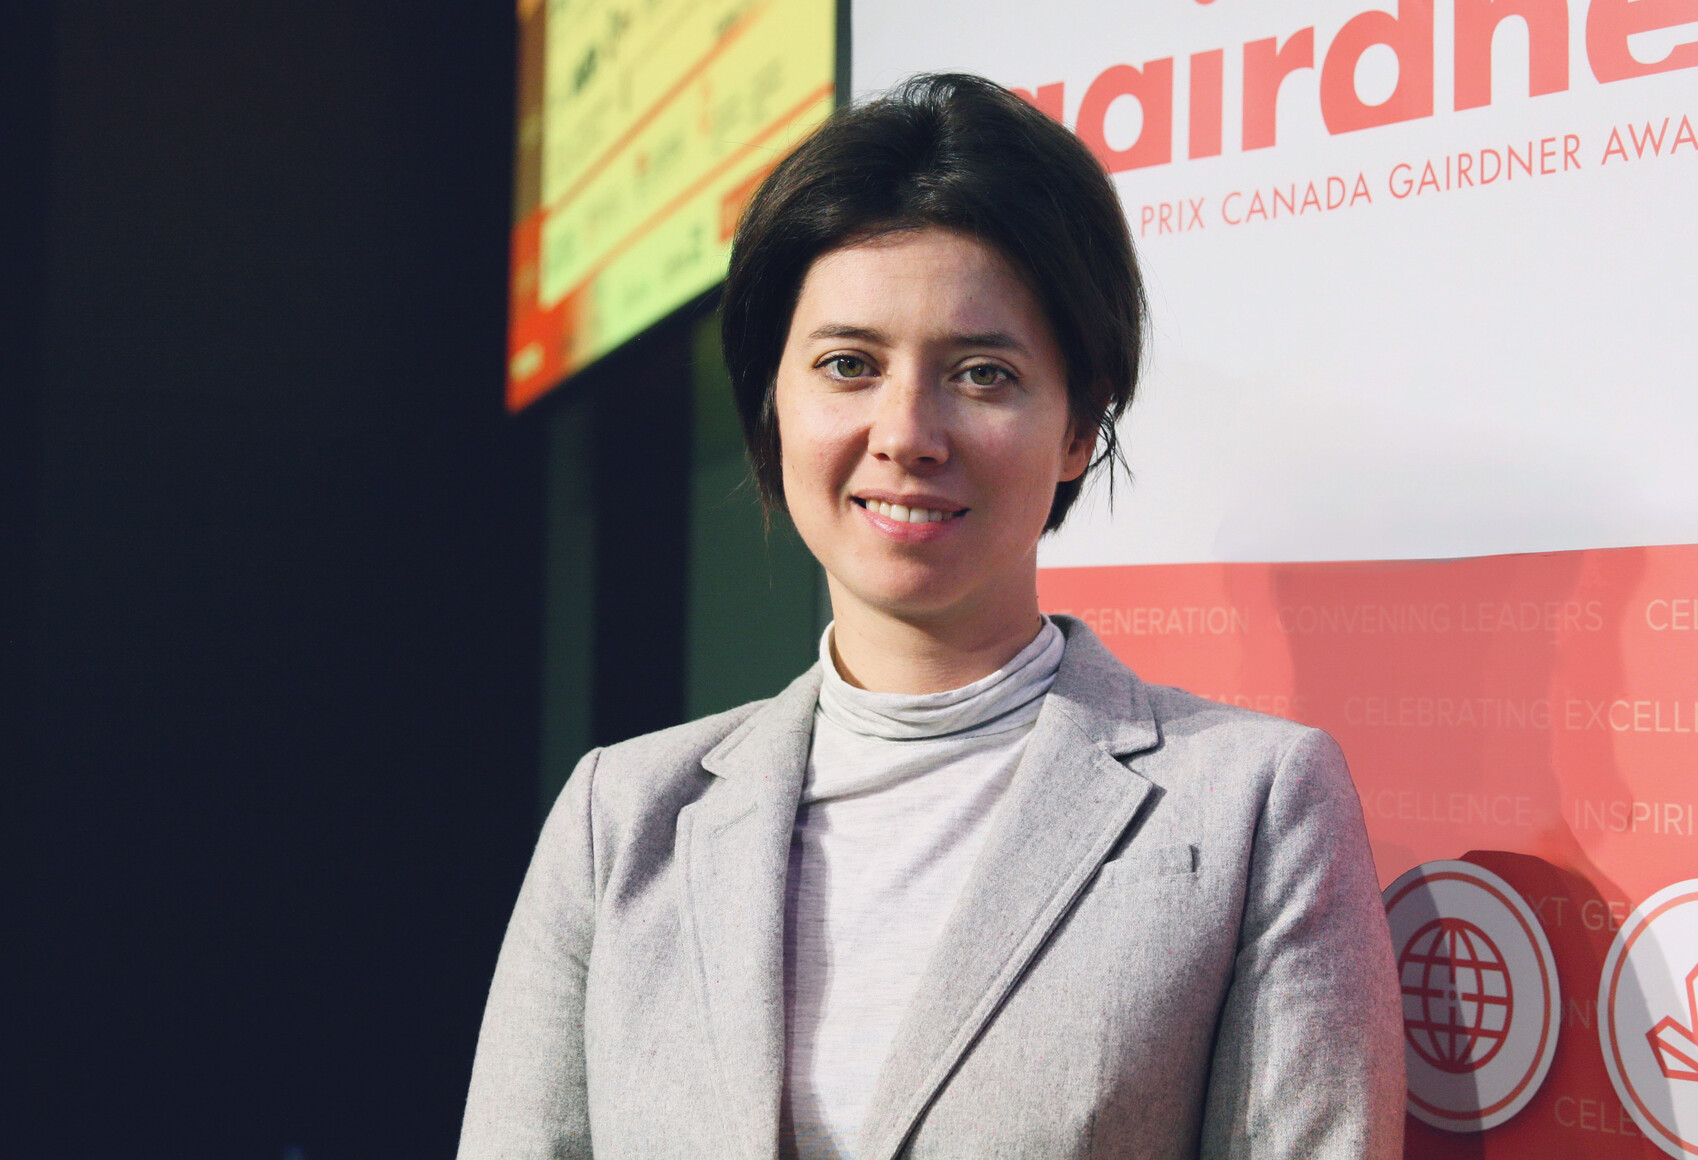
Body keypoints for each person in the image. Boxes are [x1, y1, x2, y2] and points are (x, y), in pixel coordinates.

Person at [458, 73, 1404, 1160]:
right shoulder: (617, 819)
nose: (907, 432)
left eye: (982, 373)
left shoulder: (1253, 810)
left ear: (1079, 428)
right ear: (774, 402)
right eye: (849, 366)